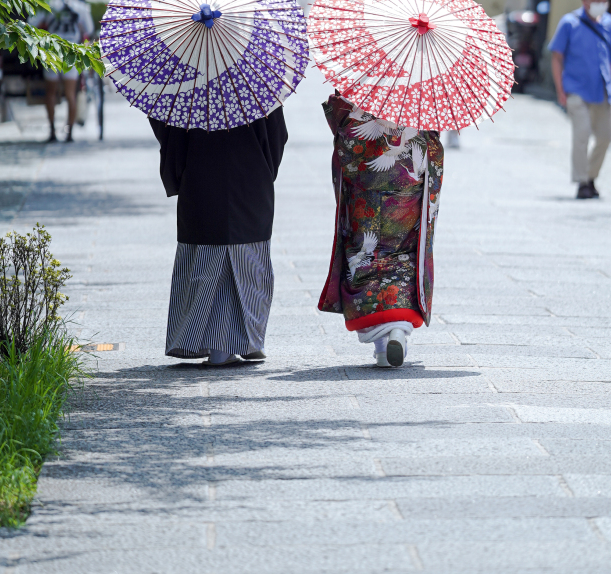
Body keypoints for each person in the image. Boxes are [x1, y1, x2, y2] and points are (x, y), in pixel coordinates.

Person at [149, 107, 288, 366]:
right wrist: (263, 167)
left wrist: (181, 169)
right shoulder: (254, 83)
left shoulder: (185, 86)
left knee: (205, 263)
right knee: (248, 263)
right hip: (250, 176)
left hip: (201, 176)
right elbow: (277, 134)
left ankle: (229, 342)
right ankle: (231, 344)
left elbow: (166, 128)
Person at [318, 94, 443, 369]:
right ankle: (399, 331)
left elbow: (346, 137)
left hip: (367, 195)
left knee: (366, 257)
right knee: (405, 255)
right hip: (406, 196)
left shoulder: (361, 82)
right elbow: (432, 145)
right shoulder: (422, 88)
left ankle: (382, 347)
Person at [549, 0, 611, 199]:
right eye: (597, 1)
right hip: (576, 90)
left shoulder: (608, 22)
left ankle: (590, 176)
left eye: (604, 1)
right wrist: (560, 89)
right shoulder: (569, 23)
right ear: (585, 1)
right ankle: (581, 182)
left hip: (602, 90)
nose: (601, 5)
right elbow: (557, 57)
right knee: (582, 134)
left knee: (605, 137)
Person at [37, 0, 94, 143]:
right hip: (72, 52)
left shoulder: (48, 5)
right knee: (71, 93)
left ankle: (52, 130)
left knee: (51, 92)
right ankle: (69, 132)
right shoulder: (79, 6)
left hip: (52, 52)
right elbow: (88, 29)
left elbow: (32, 24)